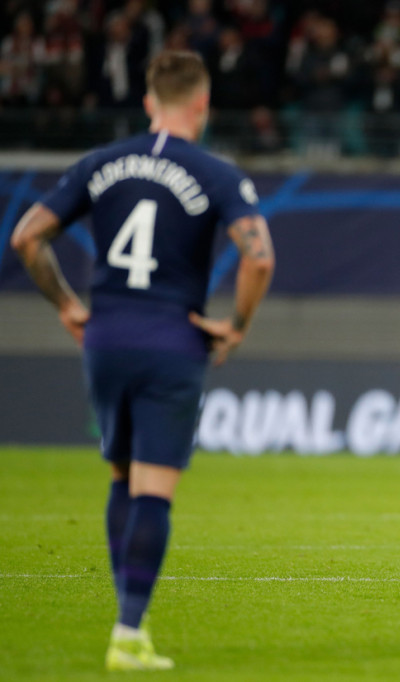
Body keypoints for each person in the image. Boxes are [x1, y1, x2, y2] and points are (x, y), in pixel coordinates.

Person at [9, 50, 274, 670]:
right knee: (155, 488)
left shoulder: (99, 163)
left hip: (104, 338)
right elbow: (258, 257)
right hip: (171, 342)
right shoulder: (215, 173)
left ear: (150, 101)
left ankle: (131, 624)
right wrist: (235, 326)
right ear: (202, 104)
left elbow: (26, 236)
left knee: (120, 478)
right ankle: (128, 631)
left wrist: (68, 307)